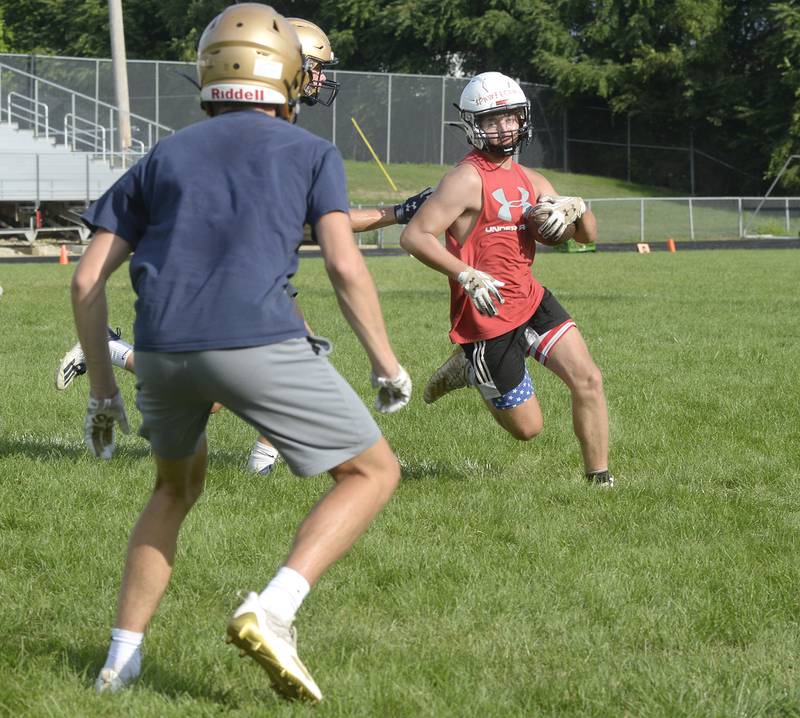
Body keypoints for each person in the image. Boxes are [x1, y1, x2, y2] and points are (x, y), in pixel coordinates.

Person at [73, 4, 411, 702]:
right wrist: (386, 363)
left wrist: (103, 391)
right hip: (255, 341)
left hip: (162, 353)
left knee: (172, 489)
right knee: (373, 472)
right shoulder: (312, 152)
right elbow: (346, 269)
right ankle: (275, 609)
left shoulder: (164, 153)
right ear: (287, 73)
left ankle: (118, 666)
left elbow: (84, 281)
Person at [55, 16, 432, 476]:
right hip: (237, 273)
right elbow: (324, 238)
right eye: (313, 65)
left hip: (217, 282)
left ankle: (113, 351)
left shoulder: (247, 139)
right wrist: (386, 363)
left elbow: (89, 275)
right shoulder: (292, 147)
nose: (321, 77)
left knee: (196, 440)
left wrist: (394, 212)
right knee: (300, 365)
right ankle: (262, 463)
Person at [399, 71, 614, 487]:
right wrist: (465, 274)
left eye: (511, 117)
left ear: (523, 118)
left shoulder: (532, 180)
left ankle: (600, 481)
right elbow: (414, 235)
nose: (504, 127)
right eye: (492, 120)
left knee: (588, 378)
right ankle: (471, 365)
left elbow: (586, 238)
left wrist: (576, 207)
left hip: (532, 300)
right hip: (488, 314)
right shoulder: (465, 179)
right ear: (473, 126)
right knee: (527, 429)